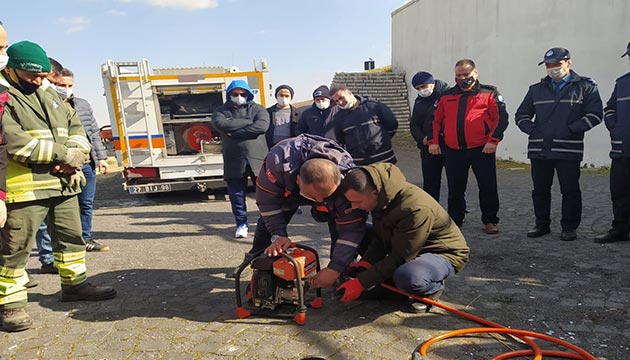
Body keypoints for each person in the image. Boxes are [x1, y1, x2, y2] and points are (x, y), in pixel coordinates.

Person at [0, 41, 116, 332]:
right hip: (25, 189)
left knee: (71, 240)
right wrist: (64, 155)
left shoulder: (49, 93)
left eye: (42, 76)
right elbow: (13, 141)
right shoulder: (4, 95)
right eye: (32, 77)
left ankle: (74, 286)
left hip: (64, 183)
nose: (39, 81)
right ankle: (11, 306)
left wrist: (76, 156)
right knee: (16, 250)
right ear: (12, 69)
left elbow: (76, 128)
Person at [335, 163, 469, 312]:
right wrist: (367, 262)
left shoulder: (414, 208)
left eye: (357, 202)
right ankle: (392, 287)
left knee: (408, 277)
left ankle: (431, 290)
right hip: (407, 244)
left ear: (374, 193)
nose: (353, 207)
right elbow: (382, 236)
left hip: (443, 253)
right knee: (357, 232)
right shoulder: (382, 197)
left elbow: (400, 256)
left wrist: (361, 282)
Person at [245, 134, 368, 289]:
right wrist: (278, 234)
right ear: (298, 180)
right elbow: (267, 203)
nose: (317, 200)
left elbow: (351, 229)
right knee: (267, 226)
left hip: (328, 192)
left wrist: (335, 268)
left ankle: (341, 273)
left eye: (323, 196)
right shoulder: (277, 163)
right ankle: (258, 268)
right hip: (288, 187)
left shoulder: (346, 178)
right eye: (313, 197)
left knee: (339, 226)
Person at [515, 47, 603, 241]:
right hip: (540, 149)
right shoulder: (536, 89)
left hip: (567, 148)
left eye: (557, 64)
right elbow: (521, 115)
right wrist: (532, 130)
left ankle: (569, 227)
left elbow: (596, 114)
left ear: (568, 63)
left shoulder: (585, 87)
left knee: (570, 190)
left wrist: (572, 129)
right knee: (540, 190)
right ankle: (541, 224)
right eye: (548, 65)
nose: (552, 68)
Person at [429, 59, 509, 234]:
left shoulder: (489, 93)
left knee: (487, 186)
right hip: (453, 149)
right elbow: (436, 121)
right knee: (455, 187)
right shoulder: (445, 95)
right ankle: (455, 220)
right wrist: (433, 142)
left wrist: (493, 141)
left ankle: (490, 220)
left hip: (482, 148)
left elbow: (500, 119)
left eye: (466, 74)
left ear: (475, 73)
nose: (462, 78)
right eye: (458, 75)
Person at [54, 68, 111, 250]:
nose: (66, 88)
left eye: (70, 85)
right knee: (61, 207)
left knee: (86, 204)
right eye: (62, 85)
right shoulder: (49, 107)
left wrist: (101, 158)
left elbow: (94, 133)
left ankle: (85, 240)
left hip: (87, 163)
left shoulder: (83, 105)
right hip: (62, 164)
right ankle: (54, 249)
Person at [211, 80, 269, 238]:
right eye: (235, 94)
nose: (239, 97)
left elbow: (262, 127)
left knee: (266, 193)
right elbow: (220, 124)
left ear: (248, 94)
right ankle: (241, 224)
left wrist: (234, 131)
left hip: (257, 158)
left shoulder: (258, 109)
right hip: (233, 158)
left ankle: (268, 223)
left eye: (242, 94)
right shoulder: (221, 111)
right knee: (236, 194)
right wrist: (248, 125)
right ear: (229, 94)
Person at [594, 43, 630, 243]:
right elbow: (610, 108)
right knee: (620, 192)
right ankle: (620, 229)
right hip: (621, 149)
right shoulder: (623, 82)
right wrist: (614, 127)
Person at [330, 85, 398, 165]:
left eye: (341, 98)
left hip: (384, 159)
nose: (340, 102)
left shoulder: (374, 106)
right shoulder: (338, 118)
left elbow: (392, 125)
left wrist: (380, 141)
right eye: (337, 101)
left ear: (349, 93)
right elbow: (340, 139)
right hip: (359, 163)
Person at [409, 71, 450, 202]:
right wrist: (422, 138)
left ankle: (458, 212)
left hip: (448, 145)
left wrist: (435, 139)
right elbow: (414, 124)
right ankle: (432, 210)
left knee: (455, 182)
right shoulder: (419, 101)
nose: (422, 90)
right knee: (430, 182)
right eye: (418, 88)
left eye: (424, 86)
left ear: (432, 83)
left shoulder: (447, 95)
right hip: (427, 148)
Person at [265, 84, 300, 149]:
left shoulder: (298, 113)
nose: (284, 98)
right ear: (276, 96)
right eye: (281, 95)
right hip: (271, 148)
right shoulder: (267, 112)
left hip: (290, 148)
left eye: (286, 96)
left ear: (291, 97)